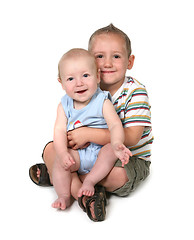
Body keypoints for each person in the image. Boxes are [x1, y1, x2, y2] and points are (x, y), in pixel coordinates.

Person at [29, 24, 153, 221]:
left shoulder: (135, 92)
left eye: (116, 56)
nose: (107, 63)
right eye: (100, 56)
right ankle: (83, 190)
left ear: (130, 61)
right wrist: (65, 149)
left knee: (119, 176)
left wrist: (87, 134)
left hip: (126, 158)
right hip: (86, 154)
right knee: (51, 149)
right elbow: (61, 127)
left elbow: (131, 137)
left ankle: (61, 178)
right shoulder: (84, 87)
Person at [49, 48, 131, 210]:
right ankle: (64, 195)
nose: (79, 83)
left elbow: (115, 125)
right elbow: (58, 131)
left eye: (86, 76)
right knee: (59, 161)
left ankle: (89, 181)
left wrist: (116, 143)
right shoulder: (64, 105)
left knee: (109, 151)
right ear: (62, 83)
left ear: (98, 76)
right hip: (78, 155)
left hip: (100, 153)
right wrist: (63, 153)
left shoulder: (102, 101)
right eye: (71, 79)